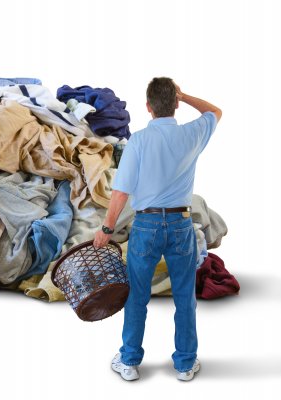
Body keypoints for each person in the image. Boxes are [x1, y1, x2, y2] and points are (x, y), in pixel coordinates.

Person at [93, 77, 222, 382]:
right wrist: (185, 94)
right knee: (184, 297)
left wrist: (106, 229)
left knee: (137, 296)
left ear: (147, 107)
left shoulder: (138, 141)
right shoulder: (192, 133)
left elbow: (121, 192)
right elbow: (215, 111)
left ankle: (128, 361)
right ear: (175, 104)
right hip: (180, 225)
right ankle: (186, 364)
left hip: (146, 226)